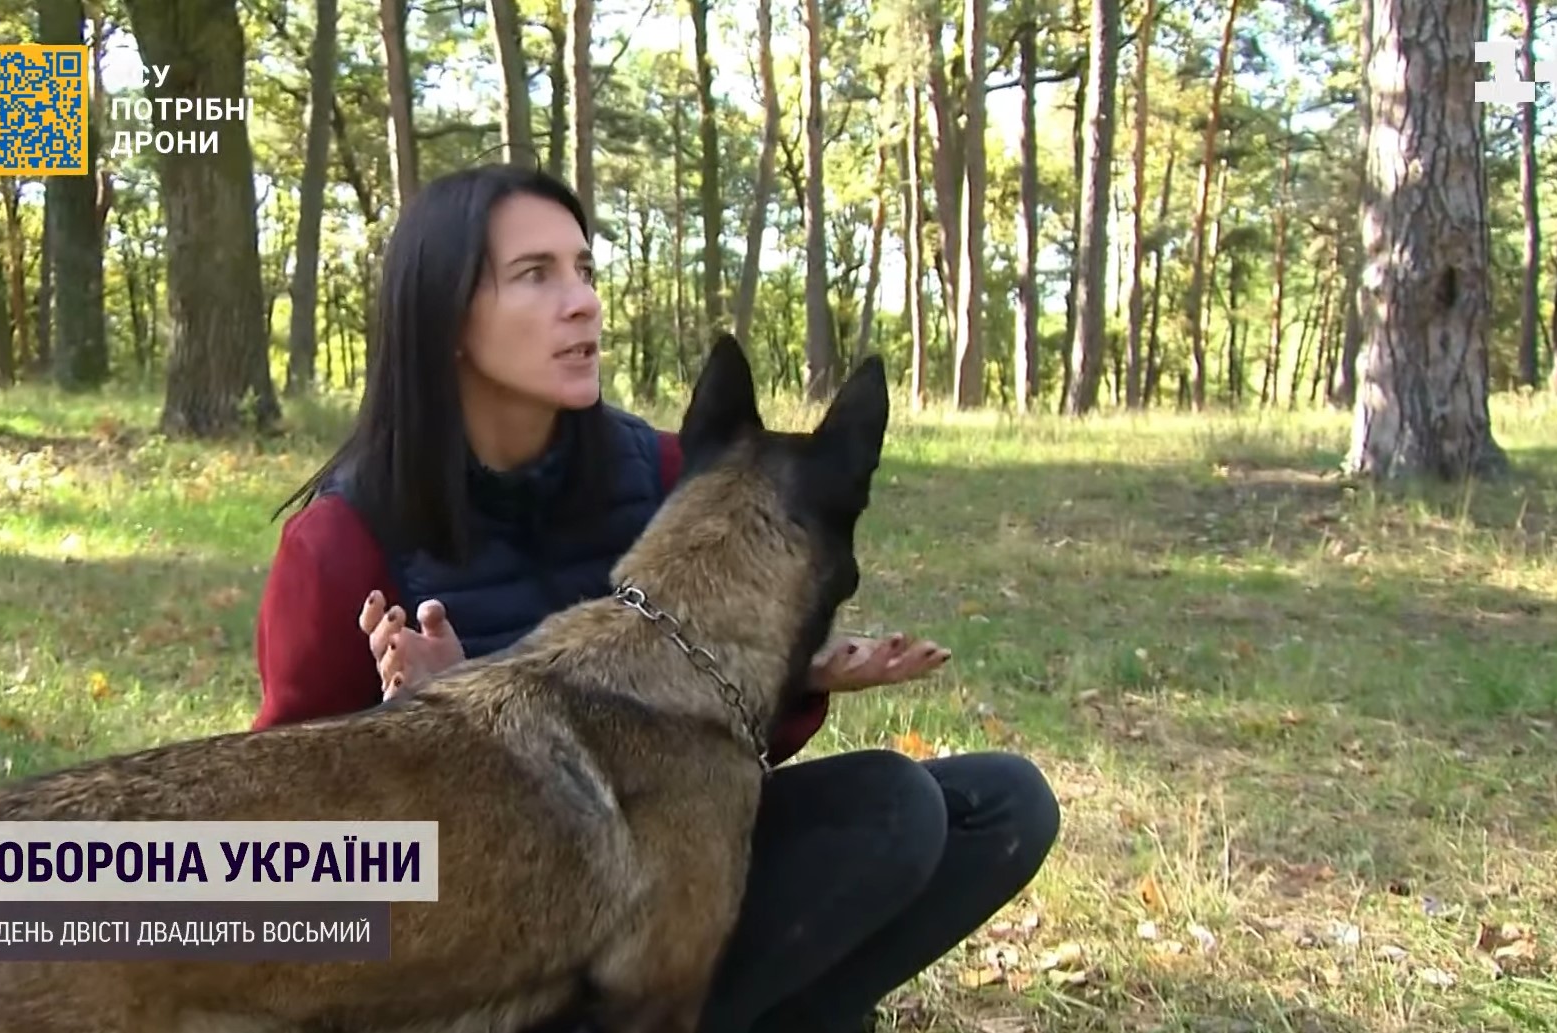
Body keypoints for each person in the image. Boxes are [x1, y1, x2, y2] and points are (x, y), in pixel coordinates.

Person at [252, 163, 1060, 1033]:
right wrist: (421, 738)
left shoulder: (669, 474)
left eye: (585, 270)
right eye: (537, 275)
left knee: (997, 805)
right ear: (446, 318)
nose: (583, 303)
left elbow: (704, 764)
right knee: (892, 810)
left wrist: (793, 674)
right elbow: (287, 863)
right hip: (485, 965)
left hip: (662, 892)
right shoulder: (341, 543)